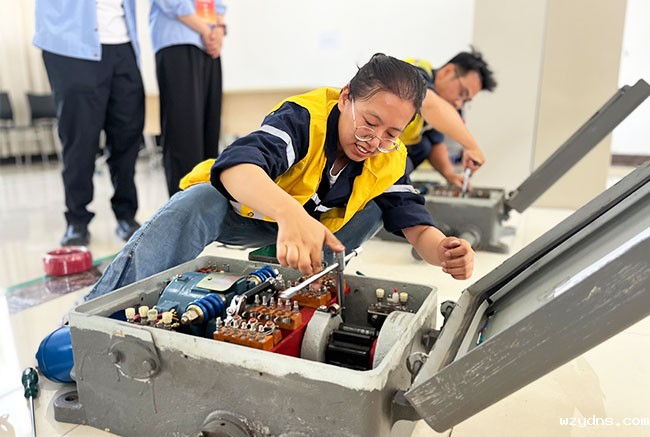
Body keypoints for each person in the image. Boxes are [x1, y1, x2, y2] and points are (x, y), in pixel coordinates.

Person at [85, 54, 475, 301]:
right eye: (369, 122)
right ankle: (98, 311)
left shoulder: (390, 158)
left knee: (377, 208)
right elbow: (238, 166)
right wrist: (290, 214)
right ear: (345, 99)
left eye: (391, 133)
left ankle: (308, 284)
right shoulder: (304, 119)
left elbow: (414, 224)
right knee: (198, 200)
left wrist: (443, 251)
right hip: (247, 213)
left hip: (308, 235)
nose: (374, 141)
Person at [33, 0, 145, 246]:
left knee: (128, 133)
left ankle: (126, 214)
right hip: (72, 46)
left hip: (123, 43)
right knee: (79, 138)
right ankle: (77, 219)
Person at [150, 0, 227, 197]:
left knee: (210, 133)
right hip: (178, 42)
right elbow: (174, 4)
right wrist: (206, 30)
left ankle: (207, 205)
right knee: (183, 135)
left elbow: (217, 5)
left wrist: (219, 29)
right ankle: (183, 208)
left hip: (209, 46)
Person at [402, 48, 497, 188]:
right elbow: (427, 102)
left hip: (388, 154)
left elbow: (436, 143)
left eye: (465, 101)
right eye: (462, 93)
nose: (459, 104)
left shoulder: (436, 112)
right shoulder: (414, 71)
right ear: (448, 72)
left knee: (424, 146)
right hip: (370, 148)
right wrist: (471, 147)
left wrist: (449, 175)